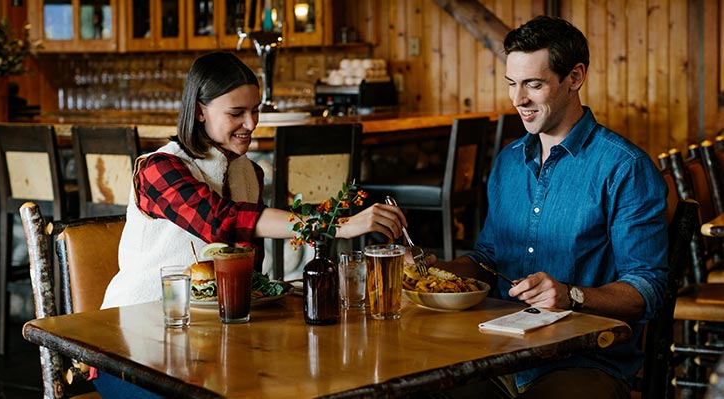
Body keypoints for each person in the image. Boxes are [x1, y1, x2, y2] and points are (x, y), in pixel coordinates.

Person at [94, 52, 407, 398]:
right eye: (236, 113)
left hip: (210, 347)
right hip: (131, 346)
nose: (251, 123)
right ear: (199, 110)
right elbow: (220, 220)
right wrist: (338, 225)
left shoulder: (249, 173)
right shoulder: (158, 169)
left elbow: (246, 268)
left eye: (255, 110)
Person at [431, 16, 668, 399]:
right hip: (496, 355)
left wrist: (571, 296)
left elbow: (648, 289)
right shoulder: (508, 162)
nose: (517, 99)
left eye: (533, 84)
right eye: (512, 83)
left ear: (574, 77)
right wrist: (435, 270)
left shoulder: (625, 168)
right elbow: (489, 257)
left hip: (588, 362)